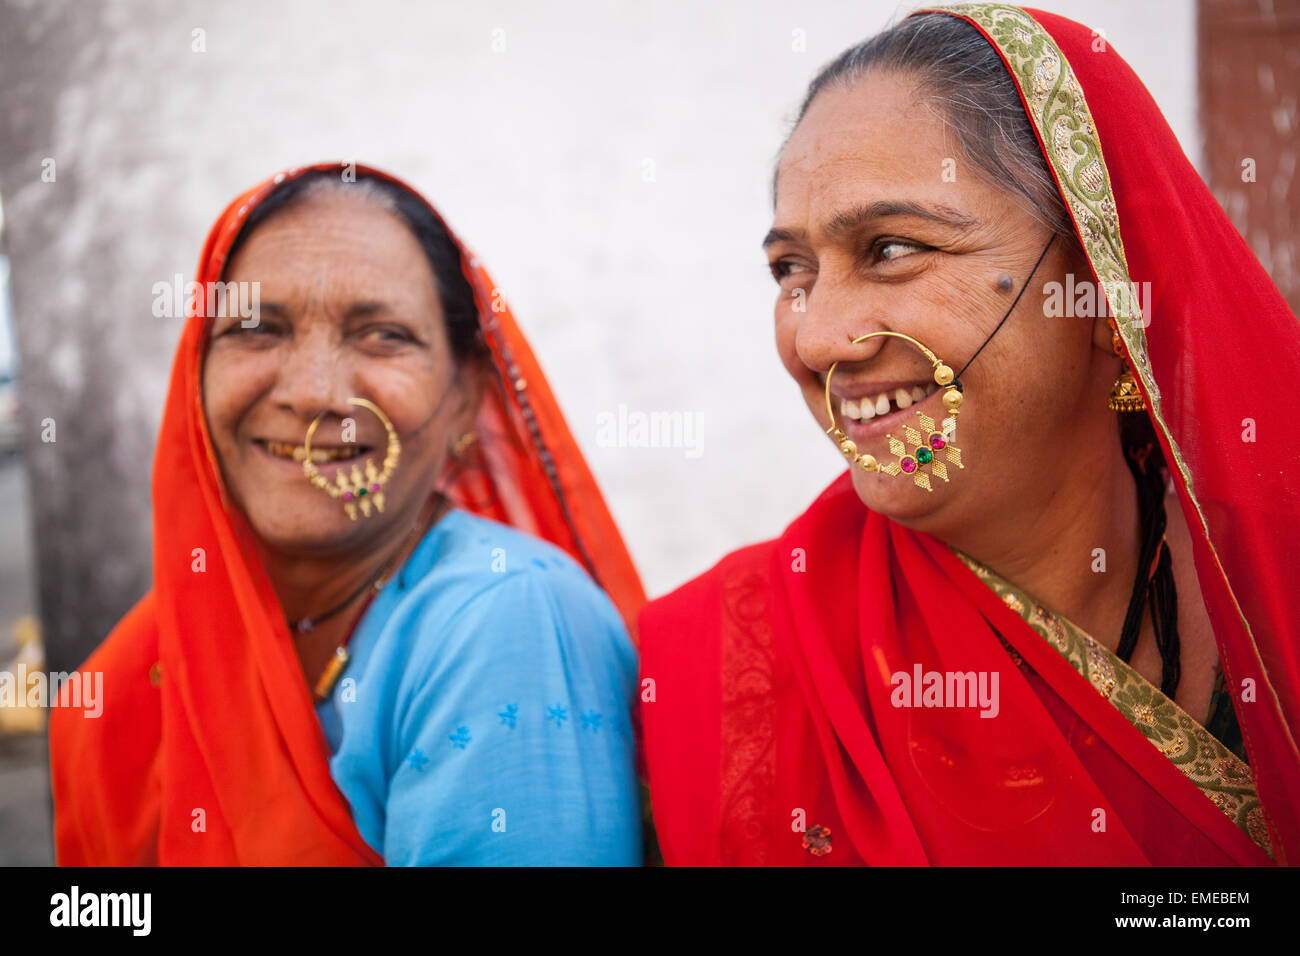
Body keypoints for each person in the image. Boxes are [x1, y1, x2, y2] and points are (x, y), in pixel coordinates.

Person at [640, 5, 1300, 865]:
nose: (816, 339)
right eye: (791, 270)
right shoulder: (725, 667)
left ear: (1107, 282)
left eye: (890, 248)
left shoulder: (1274, 578)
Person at [49, 163, 646, 865]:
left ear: (463, 396)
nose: (312, 393)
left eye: (382, 335)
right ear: (197, 369)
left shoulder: (506, 618)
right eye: (257, 328)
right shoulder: (153, 654)